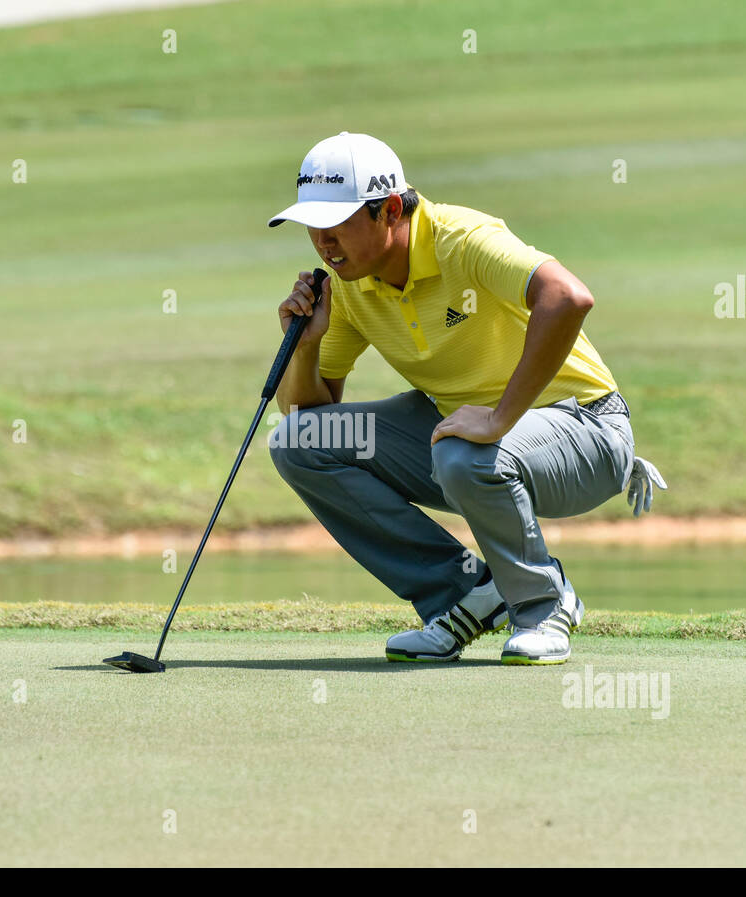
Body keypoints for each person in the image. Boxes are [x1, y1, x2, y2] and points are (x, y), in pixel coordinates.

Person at [267, 132, 666, 665]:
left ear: (388, 209)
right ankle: (465, 595)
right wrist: (307, 346)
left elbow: (568, 297)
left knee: (464, 450)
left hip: (587, 430)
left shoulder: (463, 238)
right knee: (296, 441)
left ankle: (544, 605)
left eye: (335, 223)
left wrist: (501, 417)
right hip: (464, 437)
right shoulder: (349, 285)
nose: (322, 242)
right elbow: (305, 417)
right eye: (312, 226)